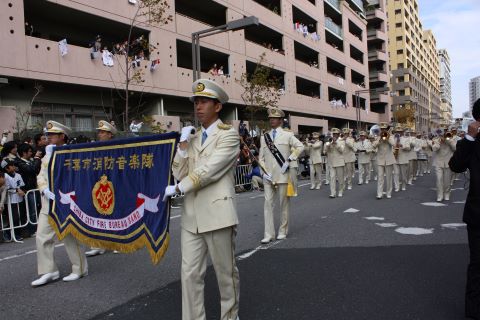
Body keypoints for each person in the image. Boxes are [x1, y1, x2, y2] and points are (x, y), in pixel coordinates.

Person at [164, 79, 240, 320]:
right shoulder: (192, 137)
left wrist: (178, 188)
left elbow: (210, 171)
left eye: (204, 101)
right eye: (196, 102)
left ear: (217, 107)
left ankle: (230, 316)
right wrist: (183, 148)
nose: (198, 106)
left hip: (218, 214)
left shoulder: (229, 136)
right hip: (191, 216)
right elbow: (178, 171)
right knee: (189, 274)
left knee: (225, 273)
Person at [31, 121, 88, 287]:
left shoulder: (72, 153)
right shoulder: (47, 154)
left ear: (62, 136)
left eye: (52, 135)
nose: (49, 137)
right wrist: (44, 189)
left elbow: (77, 177)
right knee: (42, 236)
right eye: (48, 135)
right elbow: (40, 175)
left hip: (66, 201)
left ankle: (79, 269)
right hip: (48, 202)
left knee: (70, 237)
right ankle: (49, 271)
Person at [449, 98, 480, 319]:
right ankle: (474, 310)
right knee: (478, 265)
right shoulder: (471, 142)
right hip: (478, 213)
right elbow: (456, 166)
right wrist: (469, 138)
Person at [258, 108, 304, 243]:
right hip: (268, 176)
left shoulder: (287, 135)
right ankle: (268, 234)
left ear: (280, 120)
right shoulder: (263, 137)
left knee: (283, 205)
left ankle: (282, 230)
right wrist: (264, 172)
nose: (271, 120)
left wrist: (289, 159)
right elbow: (261, 157)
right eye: (270, 118)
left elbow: (300, 146)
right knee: (267, 204)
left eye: (274, 118)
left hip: (283, 175)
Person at [86, 120, 117, 257]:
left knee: (115, 214)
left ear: (110, 134)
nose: (100, 134)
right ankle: (98, 245)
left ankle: (118, 243)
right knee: (97, 215)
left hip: (113, 184)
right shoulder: (95, 148)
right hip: (98, 185)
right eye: (99, 132)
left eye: (103, 132)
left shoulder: (117, 147)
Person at [16, 143, 41, 236]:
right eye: (30, 151)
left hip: (35, 188)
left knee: (37, 209)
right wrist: (37, 158)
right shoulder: (19, 163)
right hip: (28, 190)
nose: (31, 153)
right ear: (24, 153)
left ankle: (37, 228)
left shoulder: (30, 161)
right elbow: (32, 169)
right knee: (32, 211)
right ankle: (32, 230)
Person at [1, 159, 26, 241]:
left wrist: (22, 190)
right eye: (12, 166)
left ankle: (18, 233)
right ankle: (9, 233)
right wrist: (16, 190)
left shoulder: (18, 175)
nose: (14, 167)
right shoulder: (4, 177)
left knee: (20, 216)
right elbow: (6, 189)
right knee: (14, 218)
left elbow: (22, 185)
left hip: (19, 198)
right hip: (10, 200)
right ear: (7, 168)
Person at [371, 122, 395, 199]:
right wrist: (380, 140)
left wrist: (387, 138)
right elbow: (373, 146)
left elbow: (394, 144)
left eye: (384, 129)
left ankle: (388, 193)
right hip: (380, 159)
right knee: (380, 177)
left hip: (389, 159)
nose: (383, 130)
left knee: (388, 177)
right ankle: (379, 193)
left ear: (386, 129)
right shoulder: (378, 137)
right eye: (382, 129)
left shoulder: (391, 136)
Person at [431, 127, 456, 202]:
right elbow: (434, 149)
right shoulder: (436, 139)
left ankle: (447, 194)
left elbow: (455, 148)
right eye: (443, 132)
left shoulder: (451, 139)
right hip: (438, 162)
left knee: (447, 180)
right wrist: (439, 142)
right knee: (439, 179)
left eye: (445, 131)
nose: (444, 133)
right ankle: (440, 195)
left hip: (448, 162)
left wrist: (448, 141)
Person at [324, 128, 345, 198]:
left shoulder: (341, 141)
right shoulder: (328, 142)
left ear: (338, 134)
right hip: (331, 162)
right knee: (332, 178)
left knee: (340, 178)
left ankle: (340, 191)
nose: (334, 136)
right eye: (334, 134)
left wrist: (336, 143)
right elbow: (325, 152)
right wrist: (328, 145)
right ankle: (333, 193)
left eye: (336, 134)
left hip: (339, 162)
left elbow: (342, 151)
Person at [392, 125, 410, 192]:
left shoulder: (406, 139)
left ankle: (403, 185)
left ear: (402, 132)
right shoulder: (393, 139)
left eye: (400, 132)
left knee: (403, 175)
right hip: (395, 159)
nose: (398, 133)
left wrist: (402, 146)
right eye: (397, 132)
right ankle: (397, 186)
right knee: (396, 174)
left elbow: (408, 148)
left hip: (403, 158)